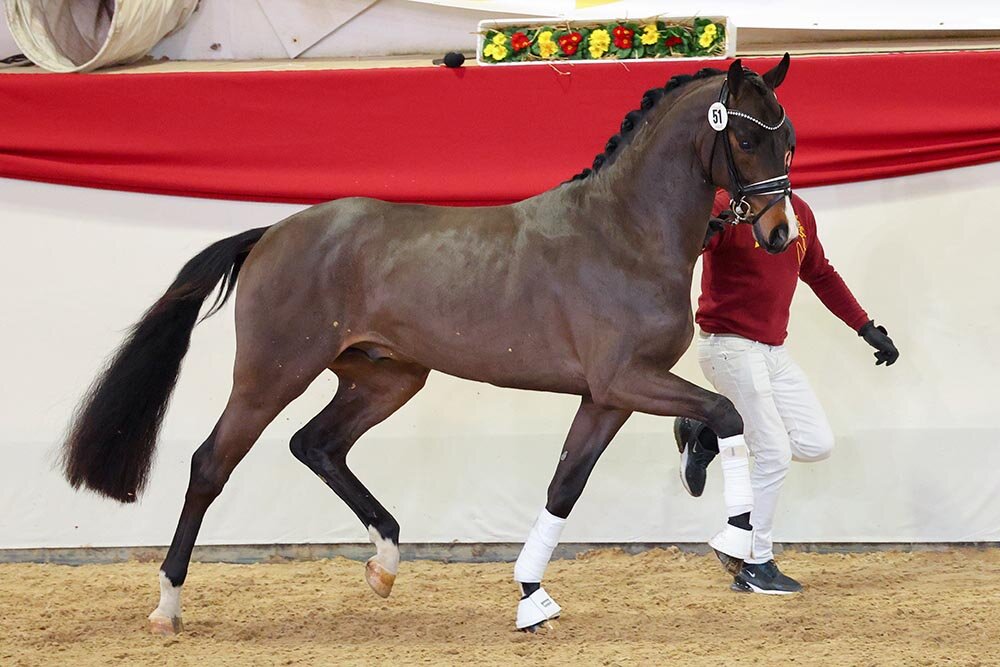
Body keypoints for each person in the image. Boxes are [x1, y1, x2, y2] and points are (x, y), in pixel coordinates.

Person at [675, 187, 899, 594]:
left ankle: (706, 432)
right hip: (728, 345)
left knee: (815, 443)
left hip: (773, 351)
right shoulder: (728, 205)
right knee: (774, 452)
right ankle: (754, 563)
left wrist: (865, 327)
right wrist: (699, 229)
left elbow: (821, 274)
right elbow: (687, 242)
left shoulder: (801, 215)